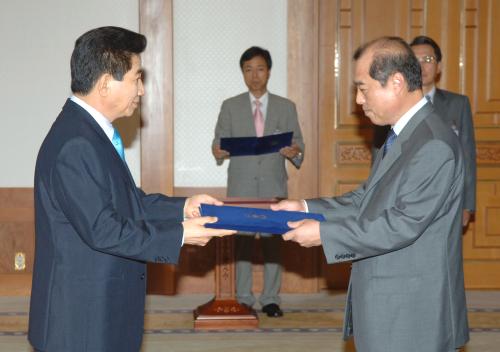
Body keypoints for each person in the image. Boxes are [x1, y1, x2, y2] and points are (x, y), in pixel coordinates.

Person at [28, 26, 234, 352]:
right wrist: (179, 234)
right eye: (137, 78)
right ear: (106, 83)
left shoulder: (89, 133)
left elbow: (129, 201)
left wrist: (183, 207)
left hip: (100, 309)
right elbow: (104, 230)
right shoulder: (75, 143)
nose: (142, 90)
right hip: (81, 320)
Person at [272, 37, 469, 351]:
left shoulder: (433, 143)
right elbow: (367, 198)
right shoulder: (403, 135)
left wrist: (325, 233)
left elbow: (400, 224)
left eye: (363, 88)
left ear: (396, 82)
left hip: (411, 310)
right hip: (390, 300)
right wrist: (305, 207)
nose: (358, 100)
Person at [212, 46, 304, 317]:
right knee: (241, 240)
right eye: (248, 69)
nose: (254, 75)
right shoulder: (230, 106)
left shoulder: (286, 107)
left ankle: (271, 299)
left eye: (260, 69)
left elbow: (299, 143)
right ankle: (243, 297)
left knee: (272, 240)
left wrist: (294, 151)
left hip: (273, 184)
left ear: (269, 71)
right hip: (241, 184)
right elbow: (218, 142)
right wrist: (218, 151)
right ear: (243, 72)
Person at [410, 35, 476, 227]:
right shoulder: (394, 105)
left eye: (428, 60)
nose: (422, 66)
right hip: (406, 201)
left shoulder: (458, 104)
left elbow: (467, 155)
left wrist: (467, 204)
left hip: (449, 199)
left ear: (439, 66)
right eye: (415, 60)